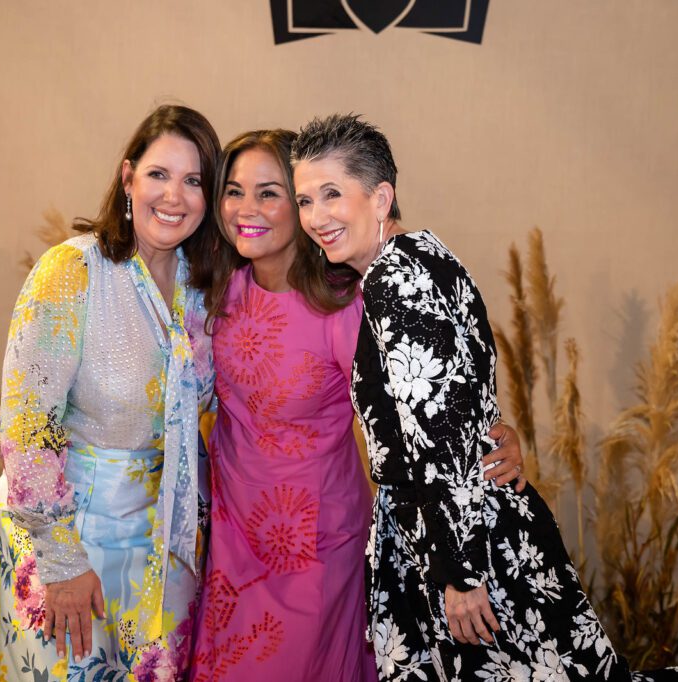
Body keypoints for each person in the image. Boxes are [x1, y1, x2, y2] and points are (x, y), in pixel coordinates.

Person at [290, 114, 678, 681]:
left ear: (380, 197)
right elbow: (460, 402)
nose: (315, 217)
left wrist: (459, 574)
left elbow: (437, 439)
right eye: (305, 200)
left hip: (459, 542)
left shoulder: (396, 281)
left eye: (331, 194)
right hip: (473, 523)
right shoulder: (427, 257)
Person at [189, 130, 526, 681]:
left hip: (316, 543)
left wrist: (492, 434)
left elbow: (420, 409)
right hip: (231, 541)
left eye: (270, 193)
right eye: (234, 191)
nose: (247, 209)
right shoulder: (214, 291)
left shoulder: (345, 305)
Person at [0, 104, 220, 681]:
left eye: (194, 181)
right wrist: (61, 562)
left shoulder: (202, 286)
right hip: (70, 537)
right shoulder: (72, 271)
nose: (174, 196)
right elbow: (28, 426)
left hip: (164, 546)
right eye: (159, 174)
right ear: (127, 177)